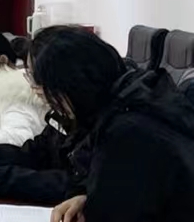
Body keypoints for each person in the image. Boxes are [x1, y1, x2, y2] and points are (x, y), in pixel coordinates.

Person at [27, 27, 194, 222]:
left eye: (43, 88)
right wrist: (86, 198)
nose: (43, 98)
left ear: (69, 85)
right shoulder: (128, 100)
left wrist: (95, 202)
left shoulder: (130, 131)